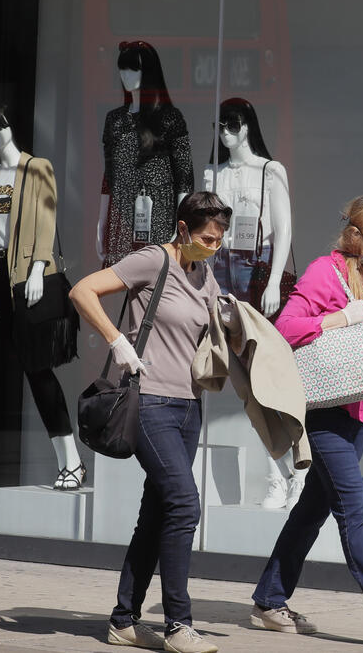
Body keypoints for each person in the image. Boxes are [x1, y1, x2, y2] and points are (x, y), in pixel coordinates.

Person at [250, 195, 363, 648]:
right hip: (325, 412)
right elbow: (286, 328)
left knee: (313, 509)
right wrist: (340, 318)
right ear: (356, 236)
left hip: (361, 415)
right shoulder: (323, 273)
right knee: (355, 506)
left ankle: (270, 599)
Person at [70, 192, 230, 652]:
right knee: (184, 505)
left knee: (157, 511)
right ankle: (179, 625)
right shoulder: (151, 260)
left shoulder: (205, 271)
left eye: (218, 240)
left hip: (190, 406)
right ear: (182, 228)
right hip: (151, 401)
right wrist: (117, 340)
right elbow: (82, 290)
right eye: (205, 237)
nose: (212, 246)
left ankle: (123, 620)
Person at [0, 104, 82, 490]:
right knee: (31, 374)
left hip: (29, 278)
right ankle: (68, 461)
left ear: (11, 127)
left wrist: (37, 268)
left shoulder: (37, 168)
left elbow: (46, 219)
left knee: (39, 371)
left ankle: (71, 460)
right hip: (1, 279)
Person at [202, 97, 305, 511]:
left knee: (266, 378)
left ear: (247, 126)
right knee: (243, 382)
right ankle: (282, 472)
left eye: (231, 124)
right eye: (221, 125)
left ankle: (287, 472)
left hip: (256, 273)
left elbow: (283, 230)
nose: (225, 132)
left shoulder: (269, 171)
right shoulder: (213, 174)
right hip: (221, 272)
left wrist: (276, 280)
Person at [98, 40, 193, 267]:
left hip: (159, 210)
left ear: (149, 72)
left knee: (154, 279)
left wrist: (180, 226)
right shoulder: (115, 120)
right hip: (121, 211)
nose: (125, 75)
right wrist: (101, 222)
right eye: (122, 68)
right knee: (123, 281)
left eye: (133, 69)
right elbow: (109, 175)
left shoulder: (170, 118)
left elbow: (184, 178)